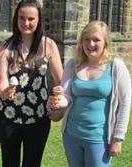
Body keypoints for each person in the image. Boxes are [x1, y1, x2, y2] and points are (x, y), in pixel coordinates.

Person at [49, 21, 131, 167]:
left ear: (105, 42)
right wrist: (57, 101)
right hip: (71, 135)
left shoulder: (116, 66)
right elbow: (66, 96)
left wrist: (118, 139)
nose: (90, 44)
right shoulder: (73, 64)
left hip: (99, 139)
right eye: (86, 39)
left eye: (96, 40)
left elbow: (125, 103)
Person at [0, 0, 63, 166]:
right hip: (9, 119)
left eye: (31, 18)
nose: (26, 23)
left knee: (32, 164)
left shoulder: (48, 46)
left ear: (39, 20)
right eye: (21, 18)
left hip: (38, 120)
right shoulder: (5, 47)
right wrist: (5, 92)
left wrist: (59, 105)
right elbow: (2, 83)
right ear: (16, 19)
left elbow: (62, 81)